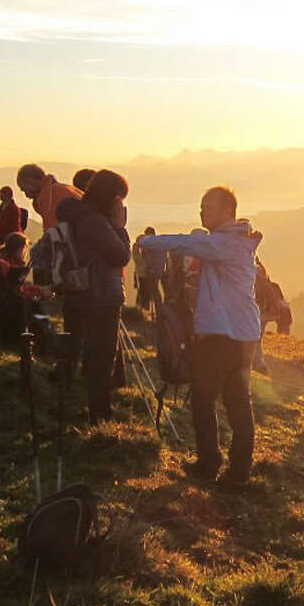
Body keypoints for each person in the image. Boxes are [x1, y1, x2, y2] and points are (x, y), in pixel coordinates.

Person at [140, 186, 261, 487]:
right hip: (242, 335)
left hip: (224, 335)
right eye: (201, 206)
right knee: (237, 402)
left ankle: (211, 463)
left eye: (208, 206)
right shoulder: (235, 241)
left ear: (226, 212)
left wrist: (147, 242)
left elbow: (186, 243)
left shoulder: (225, 243)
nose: (202, 211)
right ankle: (237, 470)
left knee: (206, 398)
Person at [59, 170, 130, 425]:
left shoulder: (77, 215)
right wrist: (120, 229)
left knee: (93, 351)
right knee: (102, 353)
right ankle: (100, 412)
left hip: (83, 291)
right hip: (100, 294)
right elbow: (120, 256)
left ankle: (96, 406)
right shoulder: (95, 221)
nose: (120, 204)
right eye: (119, 198)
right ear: (110, 197)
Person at [16, 164, 82, 230]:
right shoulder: (63, 189)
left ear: (30, 182)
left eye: (25, 190)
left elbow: (54, 231)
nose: (26, 195)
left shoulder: (50, 197)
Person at [133, 226, 157, 312]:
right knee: (146, 292)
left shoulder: (144, 245)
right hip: (145, 273)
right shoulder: (149, 246)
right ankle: (143, 310)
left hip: (144, 273)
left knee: (144, 292)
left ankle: (142, 310)